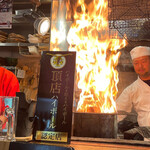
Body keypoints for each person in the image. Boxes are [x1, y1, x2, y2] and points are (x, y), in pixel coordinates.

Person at [116, 46, 150, 127]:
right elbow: (116, 113)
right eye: (136, 63)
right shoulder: (131, 90)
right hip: (148, 136)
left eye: (143, 61)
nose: (140, 66)